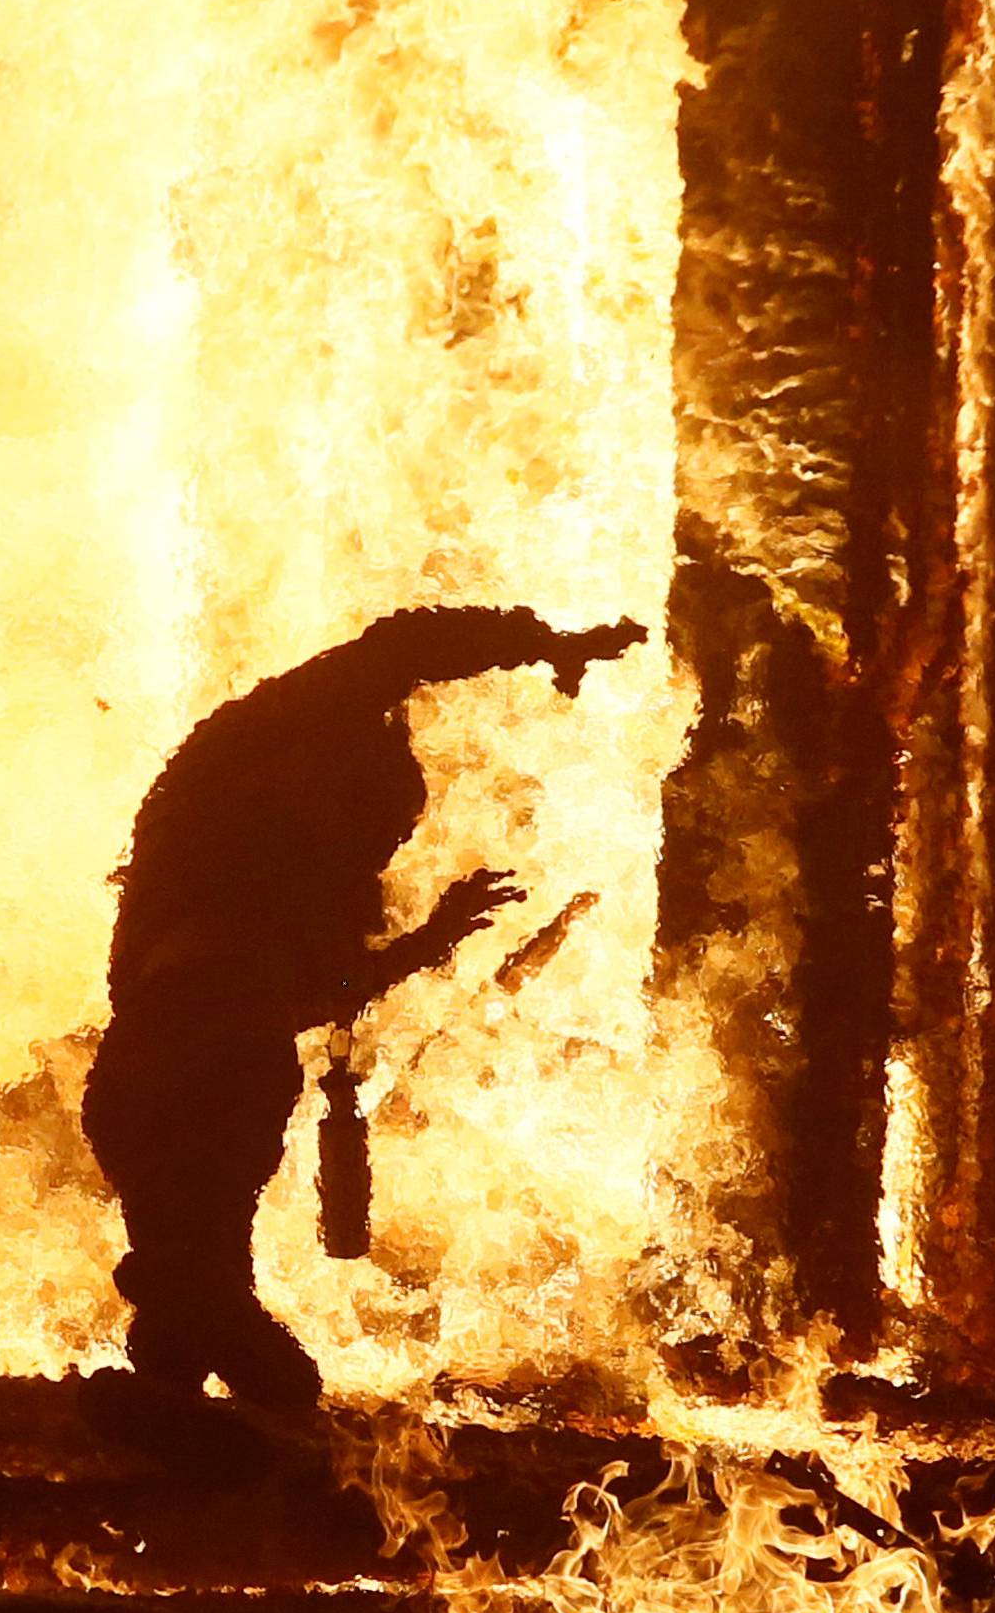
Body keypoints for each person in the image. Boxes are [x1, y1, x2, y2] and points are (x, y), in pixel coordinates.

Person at [84, 603, 644, 1410]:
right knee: (238, 1340)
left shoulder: (233, 896)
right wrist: (540, 642)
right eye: (377, 832)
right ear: (326, 787)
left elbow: (314, 996)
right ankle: (163, 1417)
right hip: (199, 1088)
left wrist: (434, 938)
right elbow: (396, 651)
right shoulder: (237, 771)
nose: (379, 855)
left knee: (191, 1313)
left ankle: (167, 1416)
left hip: (166, 1085)